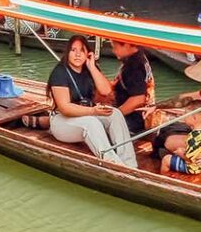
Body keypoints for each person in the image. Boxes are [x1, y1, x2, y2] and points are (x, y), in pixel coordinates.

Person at [44, 35, 138, 167]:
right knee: (91, 122)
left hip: (86, 114)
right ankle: (114, 164)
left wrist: (92, 67)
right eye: (73, 50)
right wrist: (92, 111)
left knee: (114, 113)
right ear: (67, 53)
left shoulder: (89, 68)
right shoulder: (60, 72)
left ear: (87, 53)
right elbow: (65, 107)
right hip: (62, 121)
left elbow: (106, 91)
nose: (77, 54)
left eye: (81, 50)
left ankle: (130, 164)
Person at [104, 39, 155, 135]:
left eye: (115, 47)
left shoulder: (133, 67)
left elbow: (138, 99)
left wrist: (115, 115)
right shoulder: (140, 57)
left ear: (126, 45)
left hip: (133, 120)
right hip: (142, 116)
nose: (113, 51)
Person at [160, 99, 201, 175]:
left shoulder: (194, 137)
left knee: (166, 159)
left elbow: (190, 159)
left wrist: (180, 153)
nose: (184, 117)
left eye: (186, 114)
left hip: (193, 168)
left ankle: (163, 179)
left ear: (194, 118)